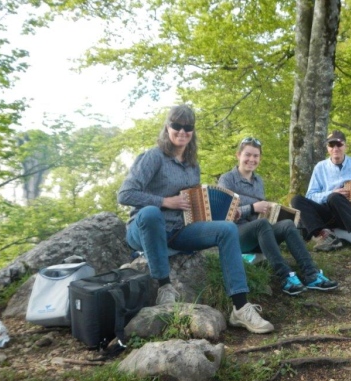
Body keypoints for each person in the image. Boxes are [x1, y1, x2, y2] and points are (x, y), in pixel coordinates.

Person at [117, 105, 273, 334]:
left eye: (187, 127)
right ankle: (164, 287)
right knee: (151, 213)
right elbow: (125, 194)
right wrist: (165, 201)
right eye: (177, 125)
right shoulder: (153, 157)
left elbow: (192, 206)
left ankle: (240, 308)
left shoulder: (193, 166)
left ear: (193, 131)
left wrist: (216, 211)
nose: (182, 131)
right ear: (167, 127)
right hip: (144, 230)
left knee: (227, 229)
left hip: (178, 231)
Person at [218, 137, 338, 296]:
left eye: (256, 156)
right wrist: (253, 208)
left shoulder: (258, 181)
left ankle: (311, 274)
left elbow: (260, 214)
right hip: (235, 236)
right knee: (262, 224)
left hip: (259, 234)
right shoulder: (227, 179)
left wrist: (271, 211)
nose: (252, 159)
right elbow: (224, 213)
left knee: (287, 224)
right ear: (238, 155)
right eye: (247, 155)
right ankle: (285, 277)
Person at [290, 130, 351, 256]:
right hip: (327, 213)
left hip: (350, 212)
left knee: (335, 197)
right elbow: (311, 195)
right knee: (296, 200)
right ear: (327, 148)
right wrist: (331, 192)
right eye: (331, 145)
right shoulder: (320, 167)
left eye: (339, 145)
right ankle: (324, 235)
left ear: (345, 146)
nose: (335, 148)